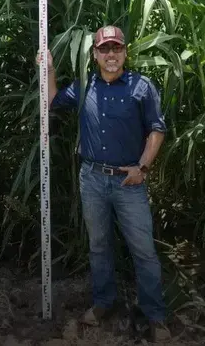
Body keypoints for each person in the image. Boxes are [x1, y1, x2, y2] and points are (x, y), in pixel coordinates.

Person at [39, 25, 171, 342]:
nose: (110, 55)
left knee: (144, 250)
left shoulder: (142, 86)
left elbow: (157, 129)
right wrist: (49, 70)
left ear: (125, 52)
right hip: (92, 179)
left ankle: (155, 315)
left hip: (129, 183)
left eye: (116, 48)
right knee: (99, 247)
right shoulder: (85, 87)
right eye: (104, 49)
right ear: (95, 54)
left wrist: (143, 166)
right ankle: (103, 303)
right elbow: (53, 101)